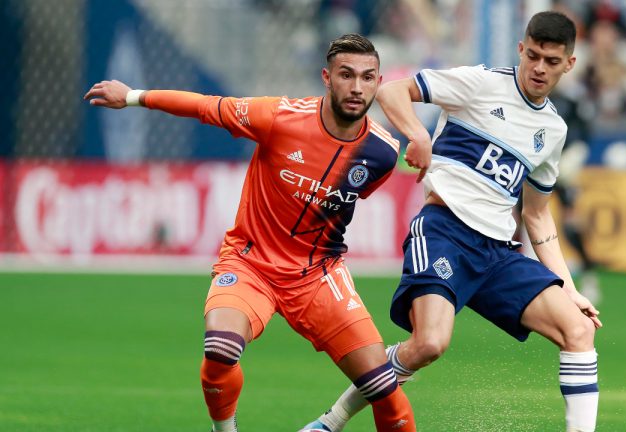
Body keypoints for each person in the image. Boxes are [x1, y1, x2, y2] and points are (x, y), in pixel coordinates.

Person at [84, 34, 416, 432]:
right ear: (327, 77)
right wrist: (135, 96)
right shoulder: (279, 116)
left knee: (384, 390)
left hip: (317, 275)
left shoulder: (382, 152)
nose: (357, 87)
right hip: (250, 263)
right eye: (347, 75)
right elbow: (207, 107)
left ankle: (330, 421)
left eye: (368, 77)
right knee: (220, 350)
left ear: (379, 82)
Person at [302, 11, 602, 432]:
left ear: (569, 63)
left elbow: (535, 213)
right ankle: (331, 422)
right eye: (532, 55)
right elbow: (392, 92)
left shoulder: (553, 130)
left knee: (579, 331)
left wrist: (568, 288)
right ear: (521, 49)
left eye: (551, 61)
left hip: (497, 253)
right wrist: (419, 136)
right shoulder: (481, 83)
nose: (538, 68)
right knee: (428, 344)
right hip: (445, 231)